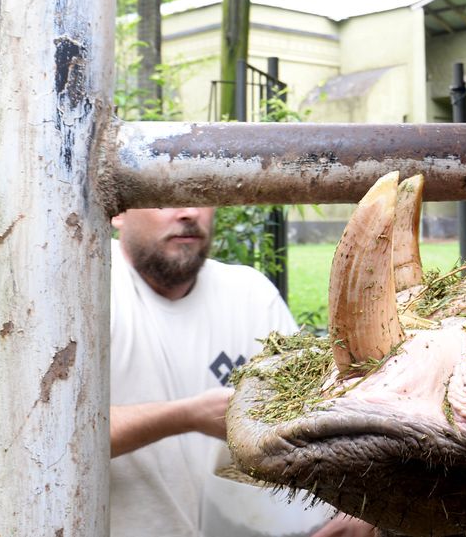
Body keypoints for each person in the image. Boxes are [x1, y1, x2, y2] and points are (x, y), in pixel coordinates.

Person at [110, 206, 377, 537]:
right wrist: (185, 416)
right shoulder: (87, 286)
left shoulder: (250, 293)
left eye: (200, 193)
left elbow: (317, 411)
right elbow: (45, 434)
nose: (189, 211)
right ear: (118, 211)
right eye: (165, 198)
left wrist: (355, 504)